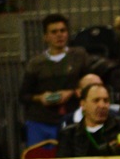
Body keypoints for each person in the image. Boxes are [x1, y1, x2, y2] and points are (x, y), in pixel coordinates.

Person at [19, 14, 90, 147]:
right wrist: (40, 98)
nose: (59, 35)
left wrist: (71, 92)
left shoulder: (79, 56)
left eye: (63, 31)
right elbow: (23, 95)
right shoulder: (35, 63)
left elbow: (90, 85)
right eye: (54, 32)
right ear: (45, 37)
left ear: (67, 34)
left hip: (73, 119)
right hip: (40, 121)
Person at [57, 81, 120, 158]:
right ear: (83, 104)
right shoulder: (69, 134)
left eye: (106, 100)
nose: (102, 105)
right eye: (96, 100)